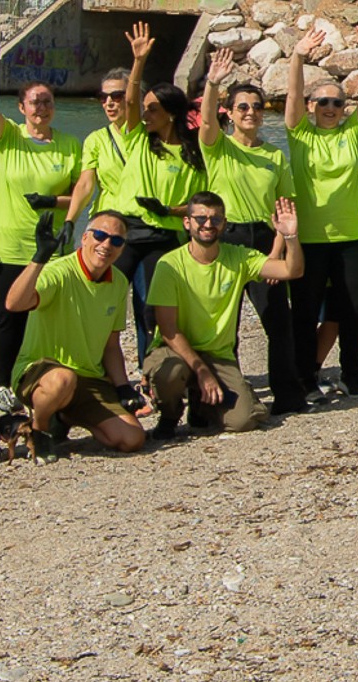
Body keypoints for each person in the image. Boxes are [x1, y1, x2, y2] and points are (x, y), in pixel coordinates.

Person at [144, 192, 305, 437]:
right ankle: (169, 416)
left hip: (219, 355)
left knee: (244, 421)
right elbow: (169, 330)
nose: (208, 224)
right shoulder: (169, 265)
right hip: (176, 351)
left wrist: (290, 237)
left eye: (215, 219)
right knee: (171, 373)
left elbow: (291, 270)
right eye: (200, 218)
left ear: (224, 224)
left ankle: (203, 404)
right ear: (187, 223)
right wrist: (202, 371)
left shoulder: (238, 256)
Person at [0, 29, 79, 399]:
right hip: (6, 248)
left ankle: (41, 384)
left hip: (51, 248)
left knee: (46, 318)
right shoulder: (10, 139)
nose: (41, 108)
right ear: (22, 108)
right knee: (10, 319)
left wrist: (53, 205)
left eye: (47, 101)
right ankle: (2, 389)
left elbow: (80, 194)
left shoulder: (69, 146)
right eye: (34, 102)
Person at [199, 51, 307, 411]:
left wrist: (276, 253)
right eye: (243, 107)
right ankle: (224, 395)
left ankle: (288, 395)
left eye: (257, 107)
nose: (251, 113)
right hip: (222, 239)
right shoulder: (218, 148)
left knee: (279, 322)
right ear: (229, 113)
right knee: (222, 323)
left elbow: (284, 209)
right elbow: (205, 126)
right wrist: (213, 83)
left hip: (263, 241)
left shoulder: (275, 156)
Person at [285, 44, 358, 397]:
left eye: (337, 103)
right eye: (323, 102)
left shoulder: (352, 133)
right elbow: (293, 94)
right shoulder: (300, 133)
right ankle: (306, 378)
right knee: (306, 311)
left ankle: (351, 373)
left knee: (354, 309)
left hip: (351, 238)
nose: (330, 108)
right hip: (310, 239)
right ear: (312, 107)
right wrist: (297, 58)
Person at [5, 208, 142, 459]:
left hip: (89, 378)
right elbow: (14, 304)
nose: (106, 244)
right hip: (42, 372)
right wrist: (39, 258)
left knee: (132, 439)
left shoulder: (119, 282)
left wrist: (123, 387)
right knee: (62, 380)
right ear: (85, 238)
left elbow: (111, 345)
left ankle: (67, 414)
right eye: (100, 235)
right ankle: (40, 428)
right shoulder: (59, 271)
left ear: (122, 248)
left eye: (116, 240)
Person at [121, 71, 207, 360]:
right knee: (101, 298)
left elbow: (199, 202)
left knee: (150, 308)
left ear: (170, 114)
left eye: (153, 108)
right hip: (126, 231)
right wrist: (139, 62)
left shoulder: (192, 154)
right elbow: (130, 101)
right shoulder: (138, 139)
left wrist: (168, 210)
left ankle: (151, 371)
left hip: (163, 236)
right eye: (145, 108)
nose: (145, 114)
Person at [66, 29, 151, 238]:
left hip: (143, 223)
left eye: (117, 96)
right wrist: (70, 221)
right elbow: (86, 184)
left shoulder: (149, 134)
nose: (109, 102)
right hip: (106, 223)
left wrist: (138, 61)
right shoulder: (96, 139)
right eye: (103, 97)